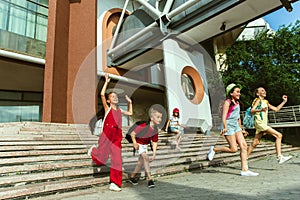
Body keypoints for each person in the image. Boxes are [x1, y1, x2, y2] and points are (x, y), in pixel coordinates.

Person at [88, 73, 133, 192]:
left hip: (117, 137)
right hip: (106, 136)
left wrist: (130, 103)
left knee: (117, 160)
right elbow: (102, 94)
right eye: (113, 97)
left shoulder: (119, 110)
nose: (115, 98)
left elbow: (130, 114)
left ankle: (115, 183)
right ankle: (93, 151)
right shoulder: (107, 109)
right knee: (101, 159)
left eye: (116, 97)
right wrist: (106, 82)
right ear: (108, 101)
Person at [207, 83, 259, 176]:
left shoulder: (238, 103)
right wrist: (225, 127)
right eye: (237, 92)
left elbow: (238, 118)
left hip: (236, 126)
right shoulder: (227, 102)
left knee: (244, 146)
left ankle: (244, 170)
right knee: (233, 149)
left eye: (239, 92)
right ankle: (214, 149)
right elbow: (223, 116)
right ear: (231, 93)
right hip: (228, 126)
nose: (239, 94)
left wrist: (241, 129)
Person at [247, 87, 292, 164]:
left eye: (264, 90)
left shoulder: (266, 102)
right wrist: (261, 110)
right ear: (258, 94)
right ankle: (279, 157)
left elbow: (276, 109)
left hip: (262, 124)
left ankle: (244, 158)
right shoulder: (258, 100)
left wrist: (284, 101)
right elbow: (252, 110)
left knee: (255, 142)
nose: (264, 91)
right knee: (279, 135)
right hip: (260, 123)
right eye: (262, 90)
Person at [128, 106, 163, 188]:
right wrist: (134, 143)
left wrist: (154, 153)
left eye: (160, 118)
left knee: (140, 163)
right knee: (146, 158)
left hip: (145, 146)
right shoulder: (143, 125)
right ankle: (150, 179)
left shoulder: (155, 130)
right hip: (138, 144)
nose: (160, 119)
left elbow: (154, 142)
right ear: (151, 118)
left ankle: (132, 177)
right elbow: (133, 134)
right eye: (157, 117)